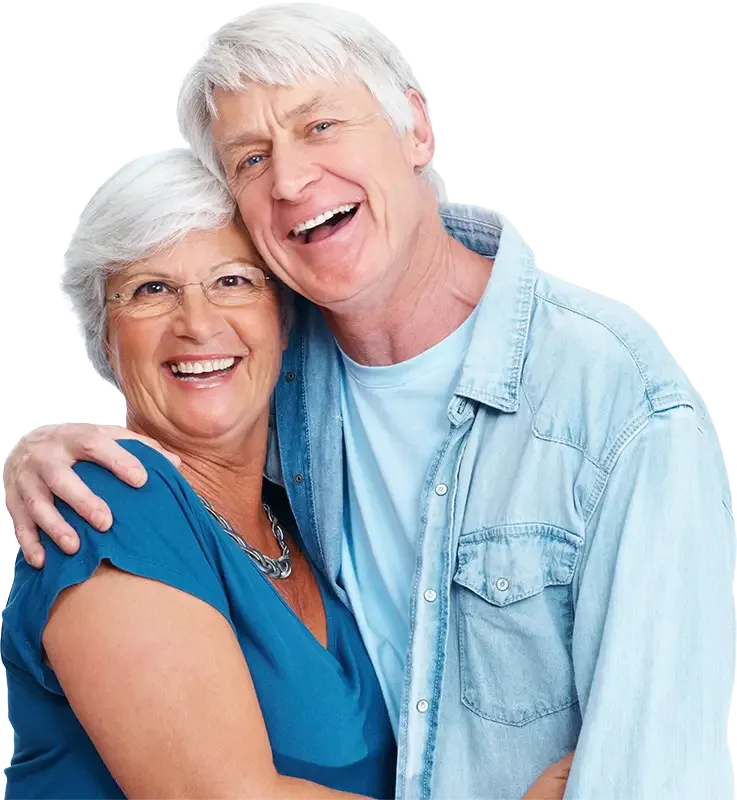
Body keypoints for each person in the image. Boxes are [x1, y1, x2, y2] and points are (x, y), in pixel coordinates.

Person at [4, 2, 734, 797]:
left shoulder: (615, 401)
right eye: (249, 159)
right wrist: (40, 448)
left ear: (416, 129)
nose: (288, 179)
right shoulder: (260, 402)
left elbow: (661, 765)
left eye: (319, 126)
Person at [1, 148, 571, 800]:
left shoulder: (309, 520)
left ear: (285, 318)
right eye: (151, 289)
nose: (198, 323)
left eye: (234, 281)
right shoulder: (105, 504)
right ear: (107, 337)